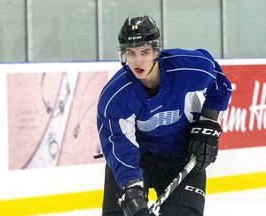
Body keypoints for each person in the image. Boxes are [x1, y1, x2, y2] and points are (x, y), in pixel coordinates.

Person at [96, 15, 232, 216]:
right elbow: (120, 147)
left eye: (144, 52)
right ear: (123, 54)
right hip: (137, 159)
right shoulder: (115, 97)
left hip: (182, 157)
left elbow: (220, 86)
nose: (138, 60)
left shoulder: (189, 67)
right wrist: (132, 192)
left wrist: (208, 125)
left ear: (156, 50)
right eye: (131, 53)